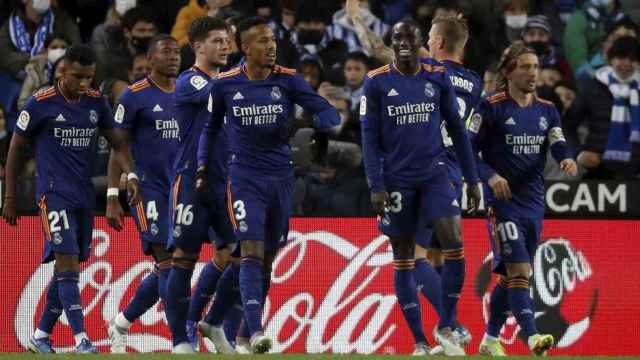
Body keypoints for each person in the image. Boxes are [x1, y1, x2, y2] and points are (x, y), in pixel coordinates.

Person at [197, 16, 340, 353]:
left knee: (265, 260)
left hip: (281, 178)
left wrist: (310, 123)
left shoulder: (288, 81)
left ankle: (214, 321)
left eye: (273, 39)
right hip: (244, 177)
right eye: (262, 40)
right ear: (245, 48)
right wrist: (203, 165)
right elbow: (210, 128)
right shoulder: (224, 85)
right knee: (251, 251)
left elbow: (329, 114)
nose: (271, 46)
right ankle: (255, 331)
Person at [1, 44, 140, 353]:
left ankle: (40, 335)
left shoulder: (95, 102)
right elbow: (16, 150)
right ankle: (82, 340)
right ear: (62, 71)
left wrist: (129, 176)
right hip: (52, 193)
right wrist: (10, 197)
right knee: (66, 264)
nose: (84, 84)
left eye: (90, 78)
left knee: (71, 267)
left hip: (83, 194)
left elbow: (118, 143)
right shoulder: (40, 103)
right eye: (78, 76)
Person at [360, 20, 481, 356]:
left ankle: (447, 323)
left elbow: (457, 129)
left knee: (454, 242)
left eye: (411, 37)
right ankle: (418, 341)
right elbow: (368, 139)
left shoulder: (436, 75)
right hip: (396, 180)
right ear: (391, 42)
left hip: (435, 173)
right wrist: (376, 184)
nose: (404, 43)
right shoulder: (375, 83)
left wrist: (473, 179)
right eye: (397, 37)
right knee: (403, 258)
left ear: (420, 43)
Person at [469, 41, 577, 356]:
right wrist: (490, 176)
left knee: (510, 276)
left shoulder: (547, 109)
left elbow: (557, 142)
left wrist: (566, 158)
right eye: (526, 67)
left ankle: (490, 339)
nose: (533, 73)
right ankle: (532, 338)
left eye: (535, 67)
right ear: (509, 72)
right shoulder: (490, 105)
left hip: (533, 201)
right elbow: (467, 149)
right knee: (520, 272)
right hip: (501, 201)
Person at [104, 34, 181, 354]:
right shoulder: (134, 97)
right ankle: (183, 336)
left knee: (171, 265)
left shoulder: (188, 93)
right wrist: (112, 194)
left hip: (181, 189)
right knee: (170, 262)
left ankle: (121, 322)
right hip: (147, 189)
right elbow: (116, 146)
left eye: (177, 52)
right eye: (166, 52)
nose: (174, 57)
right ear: (149, 60)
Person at [164, 16, 234, 354]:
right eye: (218, 41)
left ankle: (208, 321)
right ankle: (180, 339)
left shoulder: (227, 83)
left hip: (227, 181)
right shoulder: (189, 81)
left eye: (227, 41)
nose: (226, 47)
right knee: (184, 257)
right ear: (198, 47)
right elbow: (220, 95)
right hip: (192, 180)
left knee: (240, 255)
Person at [415, 13, 484, 352]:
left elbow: (381, 51)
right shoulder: (475, 82)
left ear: (439, 43)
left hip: (425, 171)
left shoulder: (429, 70)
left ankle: (451, 324)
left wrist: (356, 20)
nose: (427, 41)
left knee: (409, 260)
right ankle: (449, 331)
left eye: (430, 36)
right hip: (455, 174)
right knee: (437, 257)